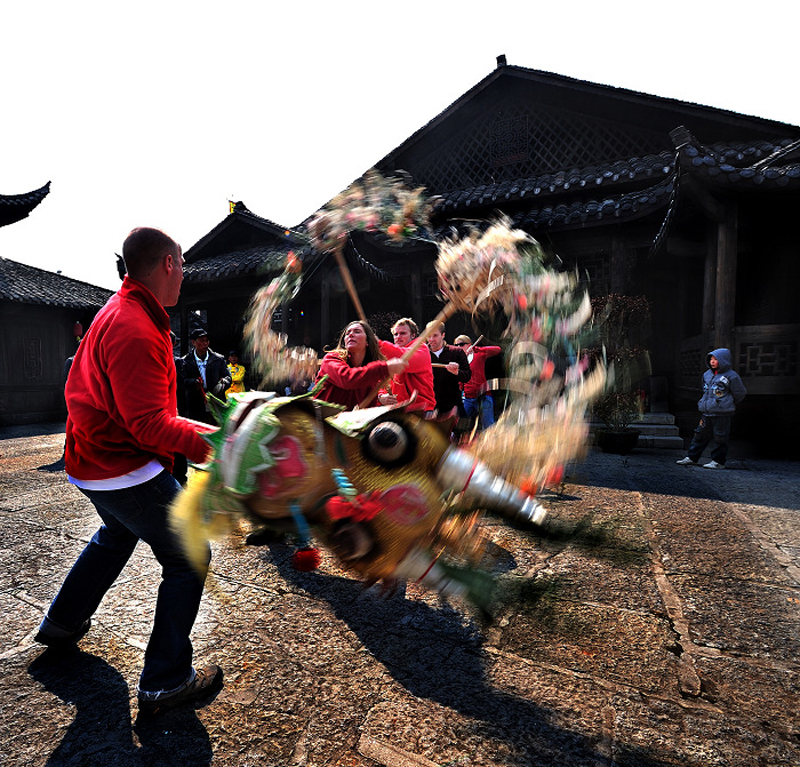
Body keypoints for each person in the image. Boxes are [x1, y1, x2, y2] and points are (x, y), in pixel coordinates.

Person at [35, 226, 223, 717]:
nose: (183, 274)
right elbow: (148, 423)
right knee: (189, 554)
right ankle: (165, 679)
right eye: (182, 264)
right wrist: (217, 444)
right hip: (122, 466)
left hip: (93, 458)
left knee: (116, 533)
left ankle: (61, 621)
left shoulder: (121, 309)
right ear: (167, 264)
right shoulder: (134, 326)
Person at [677, 347, 747, 469]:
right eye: (711, 359)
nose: (712, 362)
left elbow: (740, 393)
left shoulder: (731, 376)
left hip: (722, 413)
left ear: (724, 360)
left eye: (716, 359)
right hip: (706, 412)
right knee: (699, 435)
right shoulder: (707, 374)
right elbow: (704, 390)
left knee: (720, 437)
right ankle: (692, 458)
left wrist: (727, 403)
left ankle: (718, 462)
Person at [315, 320, 407, 409]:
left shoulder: (369, 377)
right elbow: (347, 379)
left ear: (367, 341)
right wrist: (385, 368)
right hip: (319, 418)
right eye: (347, 333)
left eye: (357, 332)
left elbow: (368, 410)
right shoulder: (331, 358)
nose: (351, 335)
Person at [377, 317, 436, 414]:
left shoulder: (422, 348)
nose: (398, 337)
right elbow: (382, 383)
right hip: (398, 411)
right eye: (396, 334)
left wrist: (378, 344)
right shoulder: (391, 354)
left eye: (403, 333)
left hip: (421, 411)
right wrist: (381, 397)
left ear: (413, 335)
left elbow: (404, 358)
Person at [182, 329, 231, 423]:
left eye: (207, 341)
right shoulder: (186, 361)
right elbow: (182, 381)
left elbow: (228, 377)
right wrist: (193, 382)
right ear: (193, 342)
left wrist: (224, 383)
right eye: (201, 341)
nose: (205, 343)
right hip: (196, 403)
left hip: (216, 400)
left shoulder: (218, 359)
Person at [455, 335, 503, 430]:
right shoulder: (458, 361)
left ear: (469, 345)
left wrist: (476, 349)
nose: (459, 347)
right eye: (456, 345)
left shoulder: (478, 354)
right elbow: (460, 381)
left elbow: (497, 350)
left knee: (488, 426)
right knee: (461, 425)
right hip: (468, 398)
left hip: (483, 396)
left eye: (461, 344)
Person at [426, 321, 471, 420]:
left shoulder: (456, 352)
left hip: (453, 406)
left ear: (443, 335)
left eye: (435, 335)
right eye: (428, 336)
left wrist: (457, 372)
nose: (431, 339)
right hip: (430, 408)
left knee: (464, 429)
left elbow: (467, 376)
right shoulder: (422, 354)